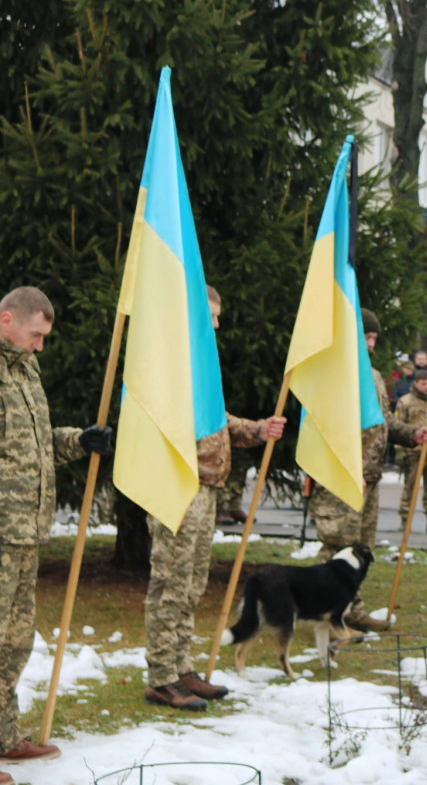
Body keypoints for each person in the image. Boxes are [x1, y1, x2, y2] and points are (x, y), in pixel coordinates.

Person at [143, 286, 287, 712]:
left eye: (219, 316)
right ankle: (161, 677)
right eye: (210, 316)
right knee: (170, 583)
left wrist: (256, 430)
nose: (217, 325)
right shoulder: (170, 363)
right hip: (178, 486)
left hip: (207, 487)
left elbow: (215, 421)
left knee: (190, 584)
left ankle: (182, 667)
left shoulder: (200, 366)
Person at [0, 287, 111, 776]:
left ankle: (4, 734)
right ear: (6, 320)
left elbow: (37, 443)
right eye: (36, 335)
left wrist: (78, 440)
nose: (41, 345)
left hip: (25, 532)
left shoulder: (24, 369)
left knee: (15, 641)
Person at [306, 309, 427, 631]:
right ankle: (327, 618)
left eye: (374, 338)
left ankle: (351, 608)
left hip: (370, 477)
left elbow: (383, 421)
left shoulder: (374, 377)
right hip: (342, 478)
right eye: (365, 336)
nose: (370, 343)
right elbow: (324, 427)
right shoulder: (334, 373)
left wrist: (410, 434)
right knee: (337, 547)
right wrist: (346, 471)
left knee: (359, 550)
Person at [394, 369, 427, 533]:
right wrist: (400, 451)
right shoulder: (405, 402)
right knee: (410, 487)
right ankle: (405, 519)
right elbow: (398, 425)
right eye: (424, 384)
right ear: (416, 383)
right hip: (412, 451)